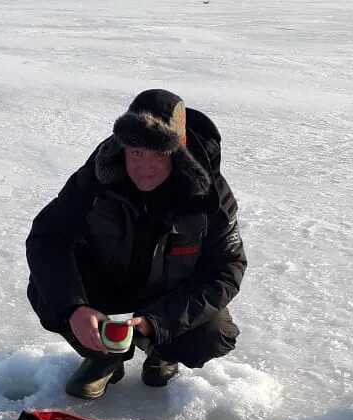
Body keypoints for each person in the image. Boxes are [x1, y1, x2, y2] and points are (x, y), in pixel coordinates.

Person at [26, 89, 246, 399]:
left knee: (214, 334)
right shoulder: (97, 176)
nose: (145, 166)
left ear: (178, 152)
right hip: (109, 279)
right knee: (46, 290)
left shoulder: (210, 195)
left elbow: (226, 269)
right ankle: (104, 356)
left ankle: (163, 352)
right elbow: (48, 238)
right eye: (136, 153)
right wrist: (74, 306)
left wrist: (160, 323)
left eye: (158, 153)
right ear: (123, 147)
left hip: (171, 291)